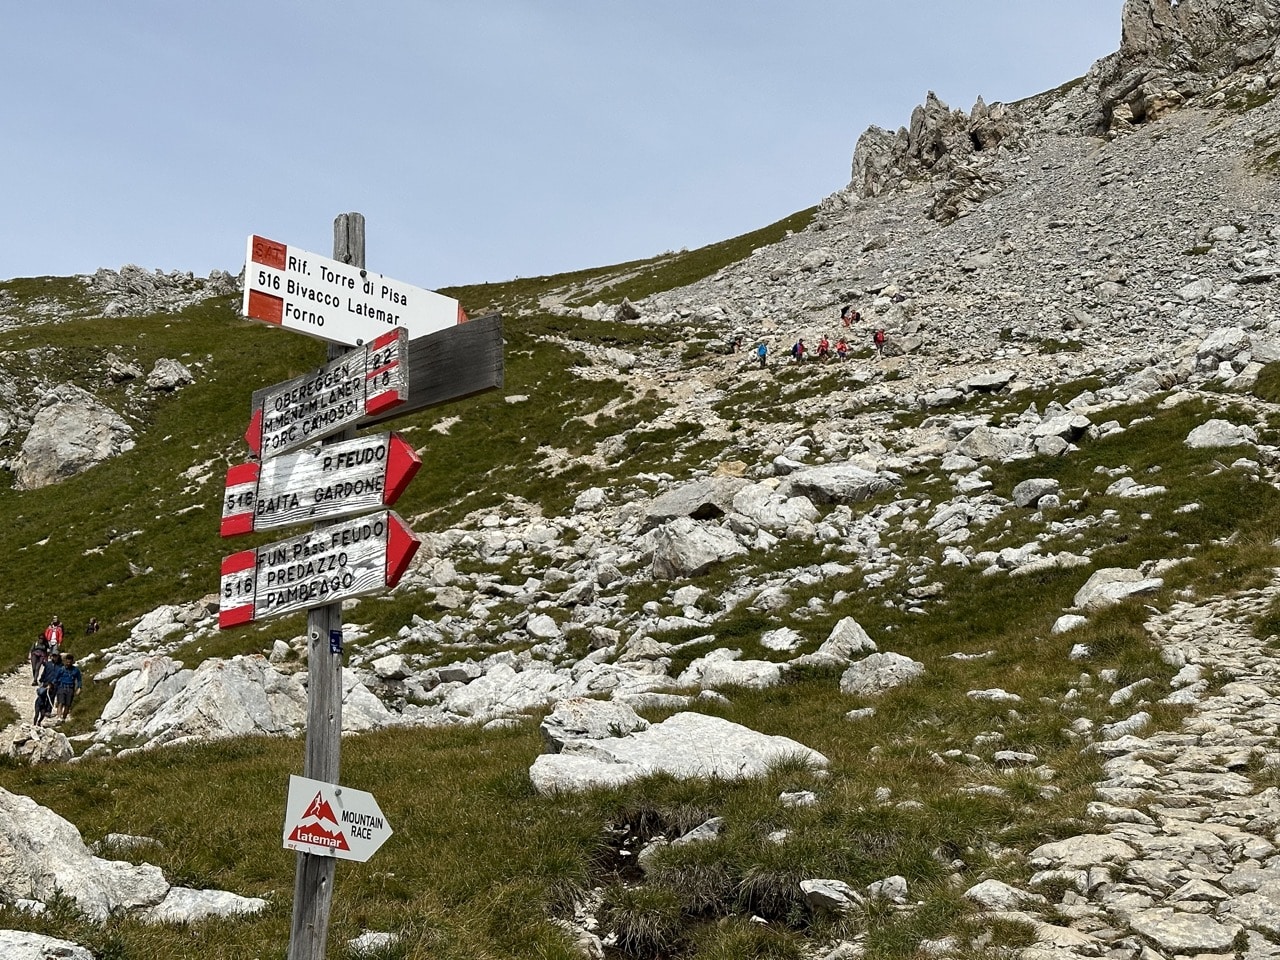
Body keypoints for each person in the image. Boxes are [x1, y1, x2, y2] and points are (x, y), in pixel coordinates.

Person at [55, 655, 83, 721]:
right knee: (60, 702)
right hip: (62, 687)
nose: (68, 664)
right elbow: (56, 678)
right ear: (65, 661)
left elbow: (79, 679)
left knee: (68, 705)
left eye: (70, 662)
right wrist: (52, 685)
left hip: (70, 688)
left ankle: (63, 718)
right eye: (67, 662)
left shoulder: (76, 670)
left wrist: (79, 687)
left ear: (72, 662)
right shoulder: (61, 669)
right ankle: (59, 718)